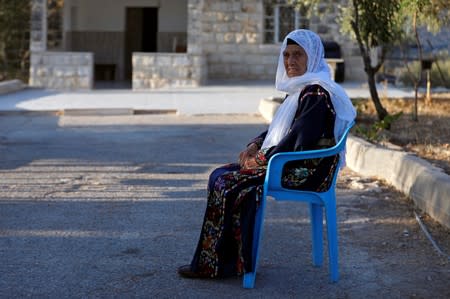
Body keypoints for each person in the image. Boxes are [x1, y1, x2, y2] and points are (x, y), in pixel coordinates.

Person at [178, 29, 356, 279]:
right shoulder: (301, 90)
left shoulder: (316, 92)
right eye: (286, 55)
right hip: (289, 163)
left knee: (225, 181)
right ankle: (227, 262)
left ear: (313, 57)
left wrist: (260, 161)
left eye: (297, 55)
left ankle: (217, 265)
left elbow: (298, 140)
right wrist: (254, 145)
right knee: (221, 175)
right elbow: (278, 130)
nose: (290, 61)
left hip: (305, 171)